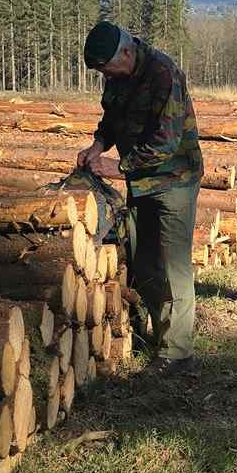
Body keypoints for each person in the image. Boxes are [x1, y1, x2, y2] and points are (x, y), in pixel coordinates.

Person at [78, 21, 203, 372]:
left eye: (108, 68)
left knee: (174, 266)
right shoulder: (117, 76)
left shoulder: (164, 74)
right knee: (145, 262)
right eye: (102, 72)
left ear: (127, 52)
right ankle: (162, 332)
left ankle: (177, 353)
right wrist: (97, 146)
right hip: (141, 183)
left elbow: (166, 142)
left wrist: (119, 167)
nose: (106, 76)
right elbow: (111, 119)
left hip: (174, 180)